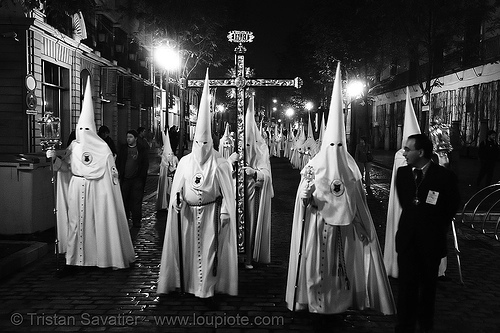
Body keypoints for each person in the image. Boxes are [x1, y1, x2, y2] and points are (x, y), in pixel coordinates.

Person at [286, 63, 395, 315]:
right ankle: (314, 303)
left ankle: (338, 304)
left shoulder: (351, 168)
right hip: (316, 226)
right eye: (330, 144)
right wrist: (304, 197)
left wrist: (363, 227)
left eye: (338, 145)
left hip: (344, 231)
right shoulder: (312, 165)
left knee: (339, 271)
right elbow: (302, 200)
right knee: (315, 268)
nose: (334, 150)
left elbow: (359, 201)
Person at [157, 71, 238, 299]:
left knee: (210, 252)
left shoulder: (220, 162)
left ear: (210, 142)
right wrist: (177, 201)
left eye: (205, 142)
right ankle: (189, 285)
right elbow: (177, 189)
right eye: (198, 142)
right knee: (190, 252)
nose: (201, 146)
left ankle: (207, 289)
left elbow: (226, 192)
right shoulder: (184, 162)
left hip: (212, 214)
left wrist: (224, 212)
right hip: (188, 217)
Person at [49, 79, 135, 270]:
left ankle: (100, 257)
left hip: (97, 191)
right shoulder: (74, 146)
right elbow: (65, 168)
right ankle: (73, 260)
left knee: (98, 224)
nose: (83, 132)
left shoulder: (103, 148)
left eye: (87, 129)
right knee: (75, 224)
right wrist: (53, 157)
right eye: (81, 129)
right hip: (76, 187)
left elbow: (111, 176)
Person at [395, 133, 460, 333]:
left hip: (430, 242)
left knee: (428, 291)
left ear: (421, 152)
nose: (404, 153)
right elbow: (405, 202)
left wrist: (432, 224)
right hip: (407, 241)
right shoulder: (403, 174)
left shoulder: (444, 176)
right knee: (406, 290)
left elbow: (451, 206)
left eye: (408, 149)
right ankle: (404, 326)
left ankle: (425, 326)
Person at [242, 96, 274, 267]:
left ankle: (249, 255)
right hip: (236, 192)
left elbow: (266, 174)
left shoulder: (261, 150)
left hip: (254, 194)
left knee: (250, 224)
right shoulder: (236, 147)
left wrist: (255, 173)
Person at [116, 130, 149, 228]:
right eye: (127, 137)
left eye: (130, 137)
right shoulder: (123, 149)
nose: (128, 139)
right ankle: (125, 219)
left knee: (136, 201)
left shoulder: (141, 149)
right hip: (125, 179)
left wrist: (142, 177)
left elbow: (144, 164)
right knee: (124, 200)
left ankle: (136, 220)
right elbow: (119, 162)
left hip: (137, 180)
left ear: (135, 138)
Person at [156, 129, 178, 211]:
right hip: (166, 176)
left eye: (170, 154)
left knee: (170, 190)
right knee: (166, 190)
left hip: (171, 177)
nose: (169, 155)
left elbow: (177, 167)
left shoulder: (175, 158)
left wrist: (173, 168)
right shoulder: (163, 159)